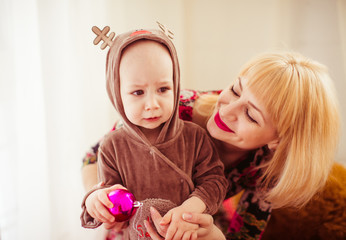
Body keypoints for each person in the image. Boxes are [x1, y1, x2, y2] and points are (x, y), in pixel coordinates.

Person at [82, 50, 341, 240]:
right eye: (236, 90)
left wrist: (213, 235)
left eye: (251, 115)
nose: (227, 109)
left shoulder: (266, 168)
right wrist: (99, 198)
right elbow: (93, 156)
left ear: (278, 140)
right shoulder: (176, 110)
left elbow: (244, 236)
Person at [80, 28, 228, 240]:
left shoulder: (195, 137)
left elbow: (215, 181)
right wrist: (97, 201)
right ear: (117, 93)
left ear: (176, 85)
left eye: (163, 89)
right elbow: (109, 196)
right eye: (138, 92)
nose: (152, 104)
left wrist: (190, 209)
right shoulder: (112, 146)